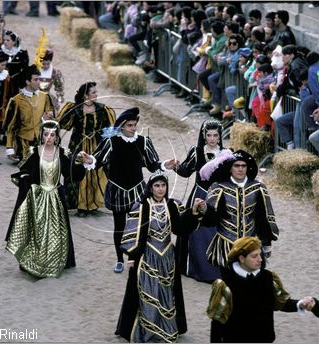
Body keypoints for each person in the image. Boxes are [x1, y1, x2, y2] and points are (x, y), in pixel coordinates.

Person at [77, 107, 178, 273]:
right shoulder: (111, 141)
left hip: (137, 190)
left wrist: (165, 165)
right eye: (130, 125)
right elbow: (99, 161)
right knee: (119, 226)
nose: (133, 128)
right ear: (122, 126)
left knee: (137, 227)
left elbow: (153, 165)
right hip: (117, 189)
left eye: (134, 125)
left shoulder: (143, 142)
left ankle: (134, 257)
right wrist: (89, 159)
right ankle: (119, 259)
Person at [115, 171, 206, 342]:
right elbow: (135, 234)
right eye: (157, 186)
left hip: (167, 257)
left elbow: (179, 228)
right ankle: (148, 331)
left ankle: (166, 327)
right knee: (148, 292)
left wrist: (193, 213)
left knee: (166, 293)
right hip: (148, 256)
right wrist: (131, 257)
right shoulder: (142, 206)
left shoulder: (172, 205)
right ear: (150, 188)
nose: (160, 189)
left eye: (163, 185)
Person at [5, 120, 85, 278]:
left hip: (56, 197)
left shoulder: (63, 153)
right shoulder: (34, 151)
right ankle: (34, 262)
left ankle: (56, 262)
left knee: (57, 232)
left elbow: (73, 174)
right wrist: (26, 178)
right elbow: (24, 169)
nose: (49, 137)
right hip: (38, 198)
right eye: (46, 134)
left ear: (56, 137)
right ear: (41, 136)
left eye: (53, 134)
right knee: (37, 231)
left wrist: (81, 162)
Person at [207, 236, 307, 342]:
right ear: (241, 258)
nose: (260, 259)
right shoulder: (227, 284)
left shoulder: (268, 278)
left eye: (260, 254)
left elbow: (281, 302)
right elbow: (217, 322)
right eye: (254, 256)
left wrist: (300, 304)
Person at [199, 149, 279, 268]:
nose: (240, 169)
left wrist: (267, 244)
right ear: (230, 168)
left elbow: (263, 219)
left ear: (248, 168)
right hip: (226, 245)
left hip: (251, 244)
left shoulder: (258, 188)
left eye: (243, 166)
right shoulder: (219, 188)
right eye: (236, 166)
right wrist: (204, 209)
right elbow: (211, 219)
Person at [174, 119, 226, 282]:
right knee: (197, 233)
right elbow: (185, 171)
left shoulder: (226, 153)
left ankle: (220, 268)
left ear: (219, 137)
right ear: (204, 136)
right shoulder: (197, 152)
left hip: (219, 198)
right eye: (209, 135)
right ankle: (198, 268)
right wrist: (175, 166)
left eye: (215, 135)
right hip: (200, 195)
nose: (212, 138)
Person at [57, 82, 116, 216]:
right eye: (93, 92)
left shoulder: (102, 109)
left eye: (96, 92)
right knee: (78, 173)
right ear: (85, 95)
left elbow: (108, 130)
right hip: (77, 145)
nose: (96, 94)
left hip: (95, 145)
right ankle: (81, 206)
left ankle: (91, 204)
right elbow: (63, 124)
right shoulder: (75, 109)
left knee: (95, 173)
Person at [3, 64, 55, 162]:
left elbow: (51, 119)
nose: (39, 82)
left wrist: (49, 117)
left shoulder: (45, 97)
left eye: (39, 79)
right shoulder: (16, 100)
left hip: (40, 141)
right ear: (27, 82)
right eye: (35, 80)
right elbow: (10, 126)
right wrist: (9, 147)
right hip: (22, 143)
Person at [1, 30, 29, 95]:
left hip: (15, 82)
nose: (5, 42)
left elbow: (25, 70)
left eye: (8, 40)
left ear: (14, 42)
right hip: (1, 81)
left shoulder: (22, 54)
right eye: (4, 40)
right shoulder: (0, 52)